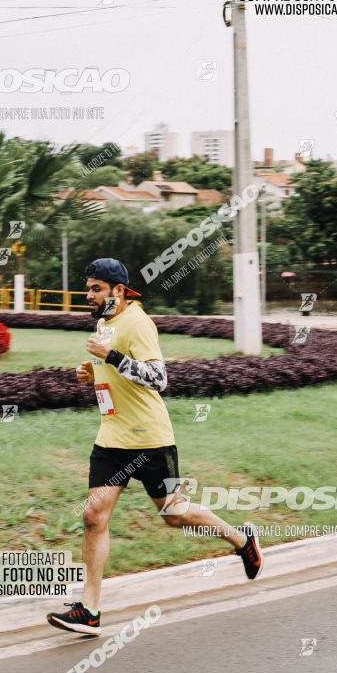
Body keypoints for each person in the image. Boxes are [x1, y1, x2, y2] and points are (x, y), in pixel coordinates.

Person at [46, 258, 263, 635]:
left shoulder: (137, 321)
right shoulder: (105, 323)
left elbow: (158, 378)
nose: (89, 294)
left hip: (150, 440)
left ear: (118, 290)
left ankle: (242, 539)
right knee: (94, 517)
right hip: (111, 439)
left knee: (174, 515)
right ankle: (90, 610)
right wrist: (91, 371)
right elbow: (116, 371)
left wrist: (110, 357)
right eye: (89, 288)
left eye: (96, 288)